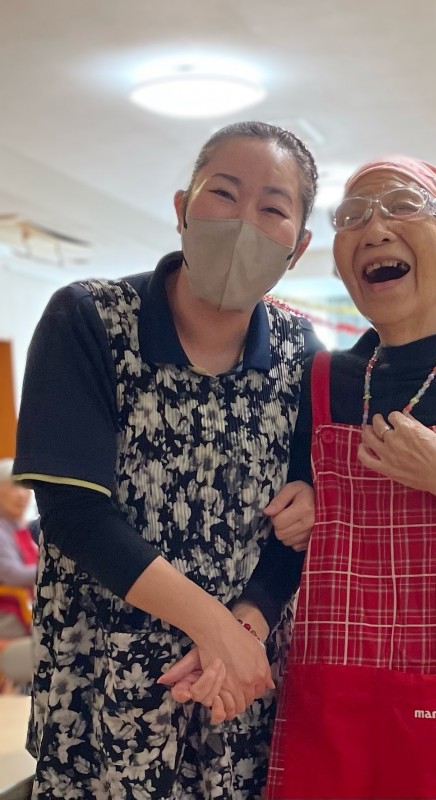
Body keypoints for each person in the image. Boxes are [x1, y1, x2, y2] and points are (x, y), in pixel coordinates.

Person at [166, 154, 436, 799]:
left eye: (401, 206)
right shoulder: (320, 381)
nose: (373, 229)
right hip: (339, 702)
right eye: (352, 216)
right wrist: (242, 629)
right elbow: (291, 546)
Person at [13, 121, 323, 800]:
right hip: (104, 686)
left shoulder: (302, 355)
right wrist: (217, 629)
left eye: (273, 208)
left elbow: (296, 526)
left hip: (237, 694)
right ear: (183, 208)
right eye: (224, 193)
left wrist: (244, 630)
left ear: (298, 247)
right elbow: (76, 515)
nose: (243, 222)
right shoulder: (90, 320)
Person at [0, 458, 37, 638]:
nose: (22, 495)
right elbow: (13, 575)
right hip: (10, 615)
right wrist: (51, 570)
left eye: (25, 488)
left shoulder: (21, 526)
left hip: (29, 609)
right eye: (14, 487)